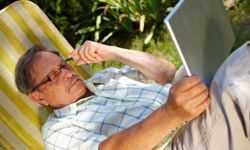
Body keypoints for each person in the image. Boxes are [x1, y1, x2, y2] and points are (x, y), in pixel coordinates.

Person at [15, 40, 210, 150]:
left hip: (193, 106)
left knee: (213, 56)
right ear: (38, 97)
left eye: (63, 65)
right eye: (53, 75)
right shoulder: (57, 130)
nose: (68, 73)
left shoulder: (106, 77)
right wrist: (172, 115)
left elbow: (166, 72)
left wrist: (113, 52)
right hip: (182, 141)